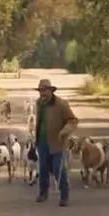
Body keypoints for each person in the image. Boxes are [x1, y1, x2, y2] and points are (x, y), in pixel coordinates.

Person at [34, 78, 77, 206]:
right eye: (41, 91)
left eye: (45, 90)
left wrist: (65, 131)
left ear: (51, 90)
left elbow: (72, 120)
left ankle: (64, 196)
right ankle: (43, 193)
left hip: (57, 142)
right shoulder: (39, 103)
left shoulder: (61, 104)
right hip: (42, 141)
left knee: (59, 168)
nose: (43, 93)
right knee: (43, 168)